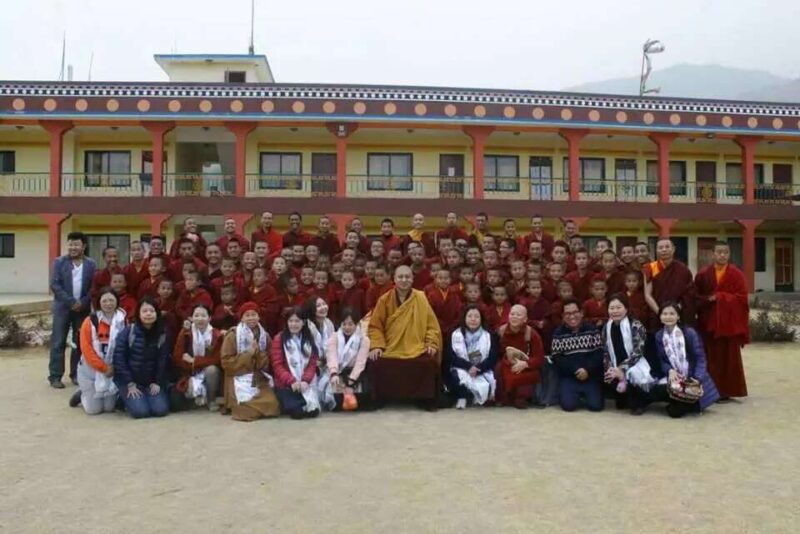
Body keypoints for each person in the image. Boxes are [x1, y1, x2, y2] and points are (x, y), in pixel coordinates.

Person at [367, 265, 442, 410]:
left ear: (413, 279)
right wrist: (377, 346)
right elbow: (376, 326)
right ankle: (382, 397)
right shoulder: (385, 299)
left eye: (407, 277)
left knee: (428, 363)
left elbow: (431, 326)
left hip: (416, 346)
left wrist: (431, 343)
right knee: (376, 363)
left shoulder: (421, 298)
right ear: (394, 279)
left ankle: (424, 399)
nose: (404, 280)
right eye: (400, 277)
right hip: (391, 346)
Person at [694, 241, 750, 401]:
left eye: (726, 252)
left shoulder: (736, 275)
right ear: (713, 254)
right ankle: (710, 390)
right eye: (719, 252)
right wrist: (708, 300)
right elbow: (696, 298)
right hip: (708, 324)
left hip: (729, 325)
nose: (722, 255)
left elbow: (742, 300)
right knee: (710, 358)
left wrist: (720, 297)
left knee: (729, 358)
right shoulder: (703, 274)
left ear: (729, 254)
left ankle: (727, 391)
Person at [654, 302, 720, 417]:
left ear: (678, 316)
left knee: (675, 412)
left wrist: (698, 378)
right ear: (660, 316)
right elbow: (662, 360)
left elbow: (700, 358)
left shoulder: (690, 333)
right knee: (657, 390)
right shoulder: (659, 335)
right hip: (675, 376)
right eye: (664, 314)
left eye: (672, 314)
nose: (668, 317)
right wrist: (670, 370)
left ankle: (689, 403)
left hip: (692, 376)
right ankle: (681, 402)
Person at [49, 231, 97, 388]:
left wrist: (82, 302)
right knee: (58, 342)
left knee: (79, 342)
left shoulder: (91, 264)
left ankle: (76, 374)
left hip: (82, 310)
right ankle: (55, 376)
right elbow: (55, 285)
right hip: (62, 308)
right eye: (70, 244)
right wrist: (71, 302)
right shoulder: (59, 262)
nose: (72, 247)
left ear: (83, 246)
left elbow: (93, 287)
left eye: (76, 244)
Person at [220, 301, 281, 421]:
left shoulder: (265, 336)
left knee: (273, 405)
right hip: (237, 376)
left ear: (258, 317)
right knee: (244, 411)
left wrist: (258, 354)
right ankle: (245, 408)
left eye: (254, 314)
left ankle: (252, 408)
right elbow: (226, 363)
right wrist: (248, 354)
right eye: (247, 315)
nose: (251, 318)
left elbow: (268, 362)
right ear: (241, 318)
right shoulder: (233, 335)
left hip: (257, 377)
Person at [112, 297, 170, 419]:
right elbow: (119, 359)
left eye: (152, 311)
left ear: (157, 313)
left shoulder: (162, 334)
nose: (148, 314)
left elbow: (162, 361)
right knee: (141, 413)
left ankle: (143, 397)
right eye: (144, 311)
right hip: (129, 381)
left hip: (150, 382)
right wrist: (129, 383)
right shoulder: (129, 331)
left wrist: (157, 382)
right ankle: (120, 397)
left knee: (161, 410)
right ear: (138, 313)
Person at [72, 288, 126, 414]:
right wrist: (103, 368)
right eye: (105, 300)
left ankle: (93, 393)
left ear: (117, 301)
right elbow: (86, 349)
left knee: (109, 408)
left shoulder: (123, 320)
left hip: (112, 368)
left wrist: (113, 367)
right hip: (91, 369)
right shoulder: (90, 321)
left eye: (111, 300)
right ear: (99, 302)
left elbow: (124, 347)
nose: (108, 304)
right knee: (94, 410)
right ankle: (82, 394)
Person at [600, 294, 652, 414]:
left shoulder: (636, 325)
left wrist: (621, 368)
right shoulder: (606, 327)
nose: (615, 311)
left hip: (634, 364)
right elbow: (605, 351)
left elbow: (638, 351)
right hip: (615, 364)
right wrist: (609, 368)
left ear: (626, 308)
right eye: (611, 308)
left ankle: (640, 401)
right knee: (606, 375)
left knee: (633, 375)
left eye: (619, 307)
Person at [550, 300, 604, 412]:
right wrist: (575, 369)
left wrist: (587, 370)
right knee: (568, 406)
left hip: (590, 375)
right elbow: (557, 358)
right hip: (569, 376)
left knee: (596, 407)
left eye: (575, 312)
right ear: (563, 316)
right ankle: (575, 395)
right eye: (567, 314)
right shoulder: (558, 334)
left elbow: (599, 354)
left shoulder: (592, 330)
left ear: (582, 313)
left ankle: (585, 395)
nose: (572, 316)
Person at [270, 307, 321, 419]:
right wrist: (291, 381)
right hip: (286, 385)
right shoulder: (279, 339)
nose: (293, 324)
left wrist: (305, 380)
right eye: (291, 321)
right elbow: (277, 366)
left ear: (303, 322)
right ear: (286, 322)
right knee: (297, 413)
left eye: (297, 321)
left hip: (304, 383)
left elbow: (312, 364)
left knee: (313, 412)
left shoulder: (308, 339)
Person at [172, 304, 223, 411]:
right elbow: (178, 357)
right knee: (189, 392)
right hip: (190, 372)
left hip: (208, 372)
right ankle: (197, 396)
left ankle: (211, 400)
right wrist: (182, 333)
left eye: (203, 315)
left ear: (209, 318)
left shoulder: (216, 335)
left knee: (212, 369)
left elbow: (216, 359)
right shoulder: (186, 333)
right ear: (191, 318)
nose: (200, 319)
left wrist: (194, 361)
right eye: (196, 315)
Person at [447, 305, 500, 409]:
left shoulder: (489, 336)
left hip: (481, 369)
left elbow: (492, 357)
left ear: (481, 319)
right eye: (470, 316)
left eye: (476, 316)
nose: (473, 319)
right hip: (462, 368)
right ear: (464, 318)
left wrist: (478, 368)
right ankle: (462, 396)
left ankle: (472, 396)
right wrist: (468, 366)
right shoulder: (455, 334)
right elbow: (451, 356)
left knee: (487, 383)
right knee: (456, 377)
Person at [496, 305, 545, 409]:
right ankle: (503, 397)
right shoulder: (501, 331)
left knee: (531, 374)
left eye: (518, 315)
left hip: (525, 364)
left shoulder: (531, 334)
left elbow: (539, 357)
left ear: (525, 319)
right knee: (498, 368)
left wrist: (526, 364)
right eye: (512, 314)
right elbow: (496, 353)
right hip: (507, 364)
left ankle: (521, 397)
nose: (514, 317)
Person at [325, 308, 372, 411]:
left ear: (356, 324)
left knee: (363, 399)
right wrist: (334, 373)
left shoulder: (364, 339)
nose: (347, 327)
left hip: (355, 373)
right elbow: (331, 356)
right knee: (335, 402)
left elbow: (361, 362)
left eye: (350, 324)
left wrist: (351, 380)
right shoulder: (334, 337)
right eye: (344, 324)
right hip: (338, 371)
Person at [303, 296, 336, 410]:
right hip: (310, 364)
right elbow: (305, 350)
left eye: (324, 304)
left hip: (326, 362)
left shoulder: (329, 323)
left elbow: (333, 346)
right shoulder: (306, 326)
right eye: (318, 306)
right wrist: (315, 362)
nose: (323, 307)